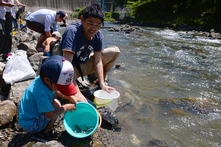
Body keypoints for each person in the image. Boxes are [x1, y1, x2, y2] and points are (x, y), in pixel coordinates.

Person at [61, 3, 120, 101]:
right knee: (79, 99)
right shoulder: (73, 31)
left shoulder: (98, 35)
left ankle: (100, 80)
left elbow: (97, 60)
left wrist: (102, 84)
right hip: (69, 68)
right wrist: (77, 92)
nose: (93, 28)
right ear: (82, 19)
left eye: (98, 25)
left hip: (83, 64)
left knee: (115, 51)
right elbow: (66, 66)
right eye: (90, 23)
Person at [18, 55, 84, 140]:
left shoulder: (43, 80)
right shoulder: (41, 93)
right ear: (47, 80)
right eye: (60, 86)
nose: (60, 89)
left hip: (28, 116)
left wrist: (69, 97)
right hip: (31, 124)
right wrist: (65, 107)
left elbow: (55, 90)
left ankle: (44, 128)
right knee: (57, 106)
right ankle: (44, 132)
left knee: (56, 104)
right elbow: (51, 114)